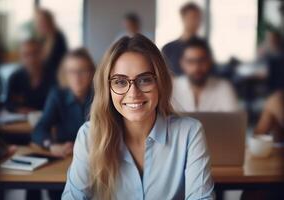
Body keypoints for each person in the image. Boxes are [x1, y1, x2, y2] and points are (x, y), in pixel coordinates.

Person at [62, 34, 214, 199]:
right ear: (108, 88)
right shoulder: (89, 135)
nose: (133, 93)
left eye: (145, 80)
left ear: (160, 83)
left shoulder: (189, 133)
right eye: (120, 82)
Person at [32, 48, 95, 156]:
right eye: (71, 72)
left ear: (92, 72)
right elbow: (39, 129)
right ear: (64, 74)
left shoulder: (101, 95)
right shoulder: (57, 95)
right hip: (66, 155)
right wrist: (51, 145)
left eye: (82, 71)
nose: (77, 77)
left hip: (94, 156)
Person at [172, 37, 238, 112]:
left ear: (209, 61)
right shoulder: (173, 87)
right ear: (182, 63)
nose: (196, 67)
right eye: (190, 61)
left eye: (201, 61)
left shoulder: (224, 87)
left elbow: (234, 121)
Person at [5, 38, 53, 113]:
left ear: (43, 53)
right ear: (21, 57)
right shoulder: (15, 78)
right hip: (22, 121)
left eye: (35, 53)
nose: (31, 59)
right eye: (26, 55)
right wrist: (20, 110)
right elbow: (8, 104)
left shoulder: (55, 76)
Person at [162, 2, 202, 76]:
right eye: (193, 17)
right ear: (183, 18)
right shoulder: (168, 48)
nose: (196, 22)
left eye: (198, 18)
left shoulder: (203, 47)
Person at [35, 8, 68, 83]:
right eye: (38, 22)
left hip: (56, 77)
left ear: (49, 21)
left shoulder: (59, 37)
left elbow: (63, 61)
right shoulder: (40, 39)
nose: (40, 24)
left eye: (42, 21)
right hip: (43, 77)